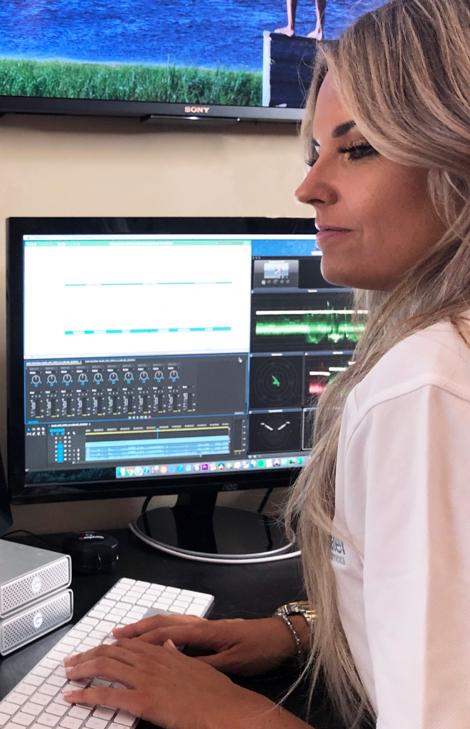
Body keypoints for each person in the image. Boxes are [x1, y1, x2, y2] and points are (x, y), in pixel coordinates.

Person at [63, 1, 470, 727]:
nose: (308, 188)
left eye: (359, 147)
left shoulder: (427, 385)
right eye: (314, 151)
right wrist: (292, 630)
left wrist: (217, 709)